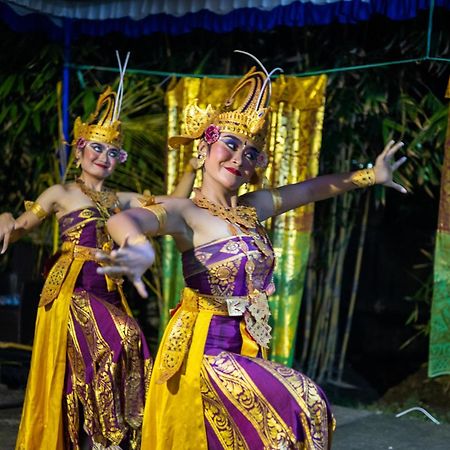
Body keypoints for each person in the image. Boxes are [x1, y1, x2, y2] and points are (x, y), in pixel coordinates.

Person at [97, 54, 407, 449]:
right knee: (305, 401)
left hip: (247, 346)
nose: (238, 158)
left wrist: (370, 176)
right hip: (203, 355)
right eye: (230, 144)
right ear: (205, 143)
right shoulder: (185, 211)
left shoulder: (253, 208)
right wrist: (138, 248)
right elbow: (128, 220)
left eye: (250, 153)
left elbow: (312, 189)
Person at [0, 82, 198, 449]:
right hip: (71, 291)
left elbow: (173, 204)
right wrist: (6, 216)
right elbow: (23, 226)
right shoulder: (61, 193)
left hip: (107, 291)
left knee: (89, 374)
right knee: (125, 336)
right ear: (79, 152)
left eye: (112, 151)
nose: (104, 156)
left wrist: (191, 165)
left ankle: (92, 440)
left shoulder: (118, 198)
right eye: (96, 147)